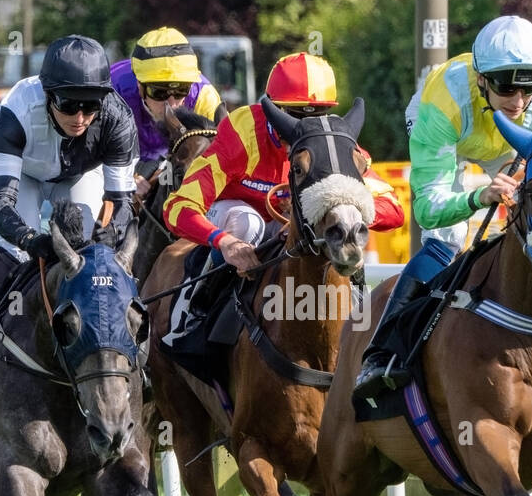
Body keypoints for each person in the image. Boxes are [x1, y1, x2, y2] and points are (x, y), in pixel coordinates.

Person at [352, 14, 532, 399]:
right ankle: (381, 352)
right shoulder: (443, 103)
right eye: (506, 88)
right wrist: (478, 196)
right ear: (481, 79)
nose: (518, 102)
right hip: (450, 131)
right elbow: (429, 209)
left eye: (528, 89)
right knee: (447, 237)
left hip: (509, 143)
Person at [0, 34, 138, 388]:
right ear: (48, 94)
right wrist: (31, 239)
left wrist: (104, 242)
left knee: (95, 258)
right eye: (68, 105)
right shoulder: (16, 111)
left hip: (81, 175)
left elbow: (123, 203)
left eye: (90, 105)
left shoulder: (116, 116)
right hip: (25, 177)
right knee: (16, 252)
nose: (79, 117)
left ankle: (136, 354)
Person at [161, 51, 404, 339]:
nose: (304, 126)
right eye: (295, 115)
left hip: (287, 228)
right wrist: (223, 242)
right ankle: (194, 307)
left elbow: (393, 209)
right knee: (247, 222)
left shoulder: (332, 142)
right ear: (272, 110)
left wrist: (337, 211)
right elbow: (177, 207)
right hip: (231, 217)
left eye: (317, 114)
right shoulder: (242, 132)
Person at [111, 27, 228, 197]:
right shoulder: (115, 89)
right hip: (117, 160)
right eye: (159, 93)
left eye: (181, 91)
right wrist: (124, 178)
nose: (171, 103)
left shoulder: (205, 97)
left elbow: (223, 158)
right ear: (140, 85)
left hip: (172, 162)